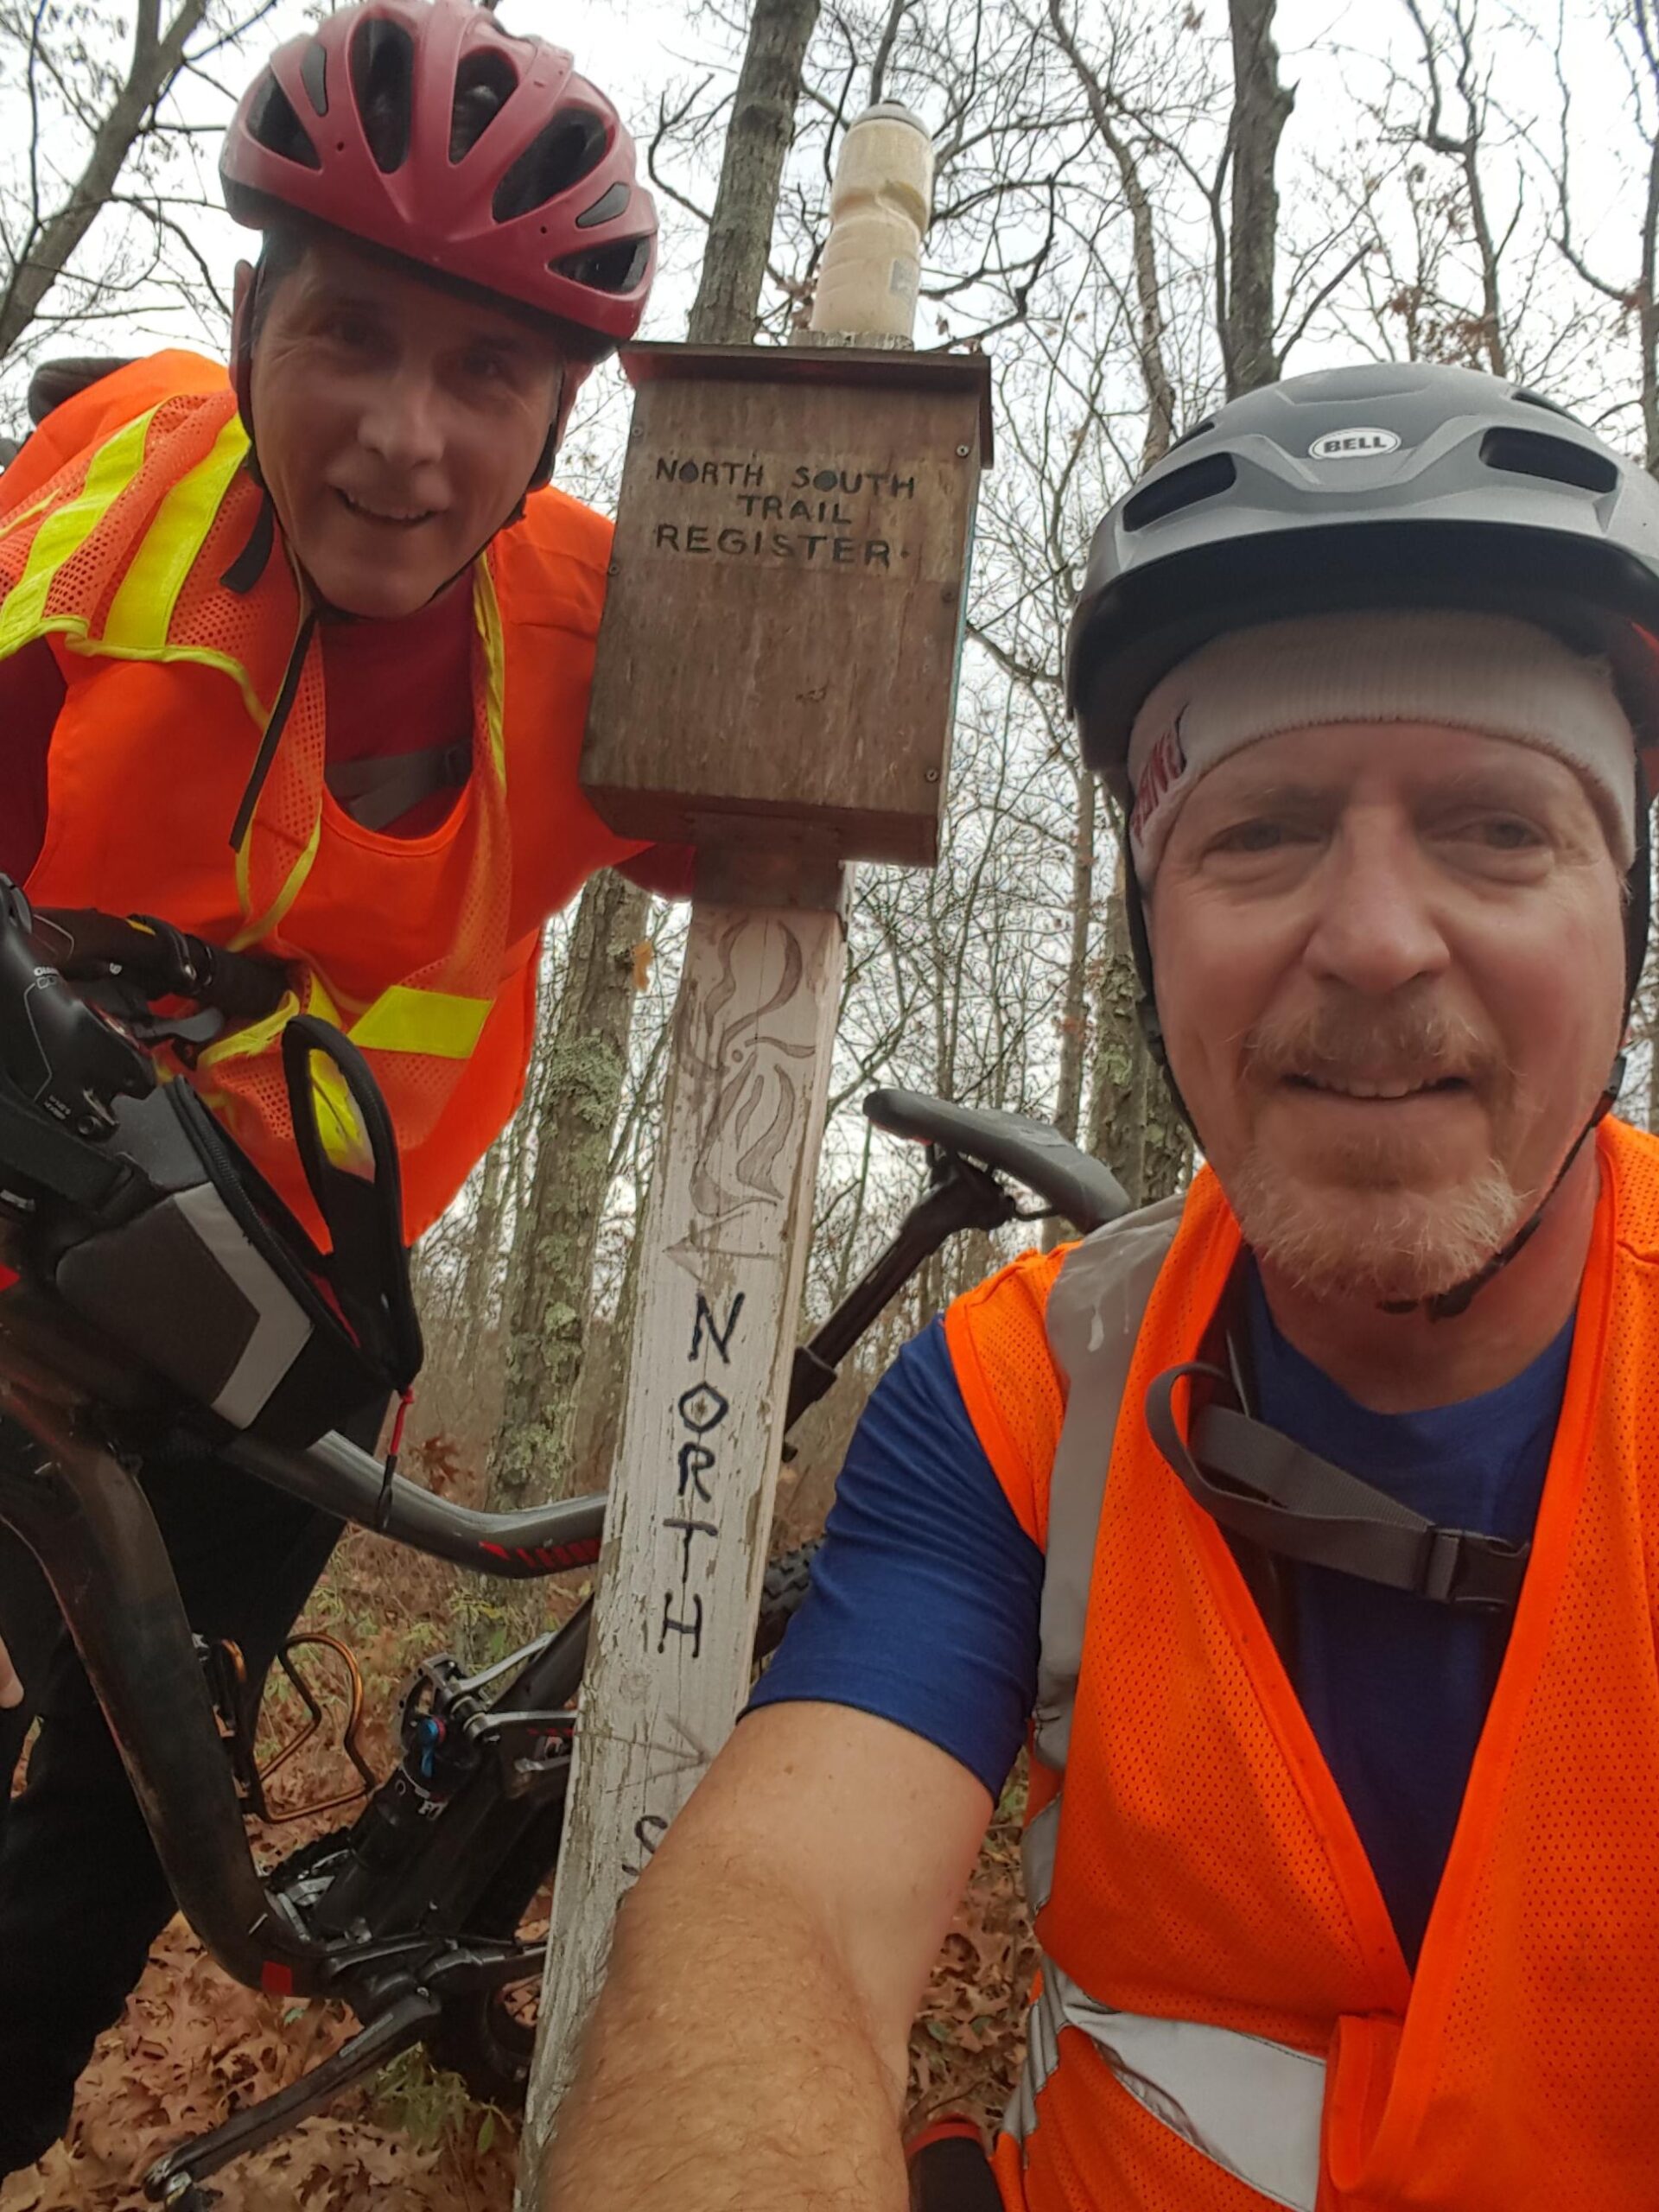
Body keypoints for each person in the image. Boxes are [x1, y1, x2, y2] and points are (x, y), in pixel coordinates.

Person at [543, 361, 1659, 2212]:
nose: (1375, 939)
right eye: (1261, 829)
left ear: (1625, 913)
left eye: (1495, 827)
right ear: (1154, 930)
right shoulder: (1027, 1394)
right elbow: (776, 1918)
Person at [0, 0, 689, 2177]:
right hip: (31, 1198)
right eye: (352, 342)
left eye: (486, 372)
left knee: (120, 1807)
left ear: (563, 411)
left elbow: (819, 818)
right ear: (244, 316)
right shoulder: (103, 482)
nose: (406, 438)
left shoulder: (607, 640)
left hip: (296, 1326)